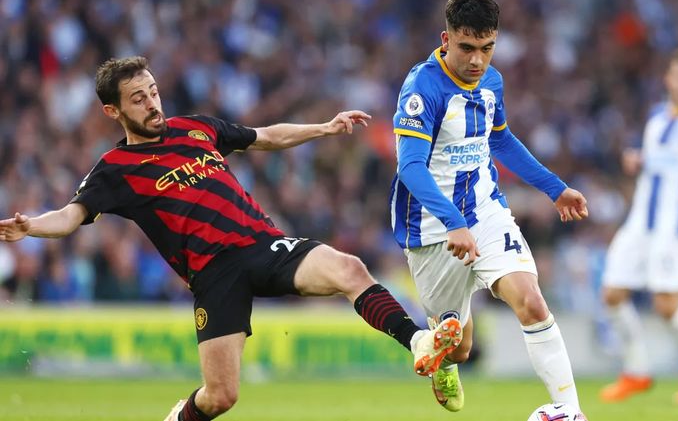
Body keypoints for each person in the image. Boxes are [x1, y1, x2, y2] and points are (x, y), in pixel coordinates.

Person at [0, 56, 463, 421]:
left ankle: (421, 344)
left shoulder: (194, 128)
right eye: (138, 99)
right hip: (213, 274)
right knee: (221, 397)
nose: (152, 103)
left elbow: (264, 136)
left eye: (154, 92)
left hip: (261, 245)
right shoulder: (114, 170)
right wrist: (31, 226)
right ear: (113, 110)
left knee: (350, 269)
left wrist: (324, 127)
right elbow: (71, 215)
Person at [389, 0, 589, 415]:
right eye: (466, 48)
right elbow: (410, 167)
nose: (477, 60)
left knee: (531, 300)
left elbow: (500, 139)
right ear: (446, 40)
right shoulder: (422, 88)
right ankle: (447, 363)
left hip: (484, 210)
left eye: (487, 48)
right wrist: (452, 222)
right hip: (431, 227)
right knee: (460, 348)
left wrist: (556, 188)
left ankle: (570, 411)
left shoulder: (491, 82)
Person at [600, 47, 678, 404]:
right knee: (612, 293)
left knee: (667, 305)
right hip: (640, 222)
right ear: (668, 79)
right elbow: (656, 164)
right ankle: (637, 372)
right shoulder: (656, 116)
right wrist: (635, 159)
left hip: (676, 226)